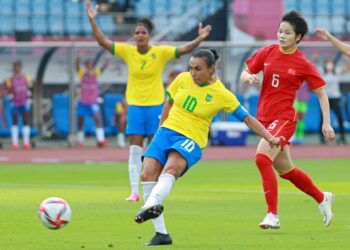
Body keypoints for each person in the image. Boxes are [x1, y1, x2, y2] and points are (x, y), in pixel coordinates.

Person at [133, 49, 280, 245]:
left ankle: (150, 205)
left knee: (171, 169)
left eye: (198, 69)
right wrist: (159, 132)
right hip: (166, 132)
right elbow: (168, 103)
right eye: (191, 68)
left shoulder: (222, 94)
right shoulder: (182, 79)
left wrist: (269, 137)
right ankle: (161, 234)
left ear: (212, 68)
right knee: (147, 174)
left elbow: (247, 118)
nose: (193, 73)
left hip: (191, 139)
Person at [85, 0, 213, 202]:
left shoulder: (159, 52)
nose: (139, 36)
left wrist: (199, 39)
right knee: (135, 149)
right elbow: (103, 42)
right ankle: (134, 191)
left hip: (156, 105)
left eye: (143, 33)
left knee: (155, 148)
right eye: (136, 33)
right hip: (135, 106)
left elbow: (184, 50)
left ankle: (155, 189)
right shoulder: (128, 51)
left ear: (149, 35)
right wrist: (92, 20)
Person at [240, 11, 335, 229]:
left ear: (298, 37)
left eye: (287, 32)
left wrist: (326, 122)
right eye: (280, 31)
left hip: (284, 118)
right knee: (286, 170)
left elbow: (321, 93)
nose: (281, 36)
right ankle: (322, 198)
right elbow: (245, 72)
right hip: (264, 119)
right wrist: (248, 77)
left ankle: (272, 215)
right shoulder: (268, 52)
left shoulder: (302, 63)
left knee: (262, 158)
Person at [76, 54, 110, 148]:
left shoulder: (96, 72)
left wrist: (107, 58)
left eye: (91, 64)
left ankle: (101, 140)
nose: (90, 65)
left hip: (92, 102)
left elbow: (103, 68)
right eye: (88, 64)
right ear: (86, 65)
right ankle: (80, 141)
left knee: (97, 119)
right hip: (83, 101)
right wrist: (78, 57)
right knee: (80, 121)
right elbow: (77, 67)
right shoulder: (82, 73)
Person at [4, 61, 33, 149]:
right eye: (15, 67)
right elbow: (7, 91)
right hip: (15, 103)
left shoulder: (26, 77)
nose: (17, 68)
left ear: (21, 68)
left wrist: (29, 95)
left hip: (24, 102)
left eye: (18, 67)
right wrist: (9, 95)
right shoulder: (9, 80)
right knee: (15, 122)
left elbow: (31, 87)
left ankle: (26, 143)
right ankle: (15, 143)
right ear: (13, 68)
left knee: (25, 121)